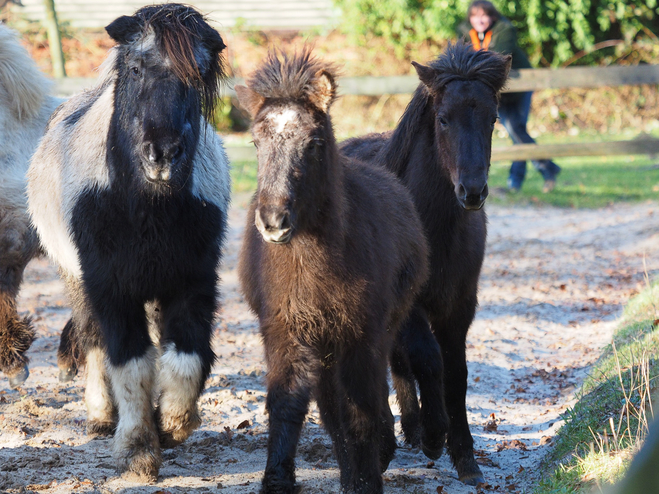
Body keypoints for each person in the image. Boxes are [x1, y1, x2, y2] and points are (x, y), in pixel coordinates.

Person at [458, 0, 561, 192]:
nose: (479, 20)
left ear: (492, 16)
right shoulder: (463, 32)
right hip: (495, 92)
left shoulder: (505, 29)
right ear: (470, 18)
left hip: (519, 87)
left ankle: (519, 180)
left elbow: (496, 60)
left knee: (516, 130)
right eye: (475, 15)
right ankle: (542, 171)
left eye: (484, 15)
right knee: (516, 131)